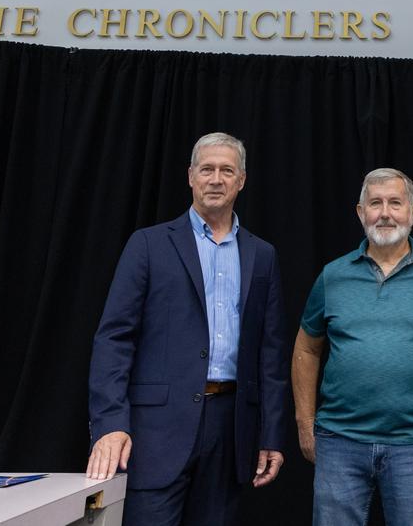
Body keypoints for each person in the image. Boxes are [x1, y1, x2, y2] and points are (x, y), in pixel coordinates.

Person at [87, 132, 288, 526]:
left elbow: (271, 354)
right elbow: (114, 339)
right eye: (207, 169)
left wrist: (272, 434)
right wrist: (110, 423)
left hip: (231, 431)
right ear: (191, 176)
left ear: (241, 180)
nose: (216, 179)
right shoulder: (147, 245)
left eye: (226, 170)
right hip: (154, 432)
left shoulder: (262, 255)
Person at [292, 168, 413, 526]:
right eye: (375, 203)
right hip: (339, 441)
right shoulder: (333, 276)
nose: (385, 213)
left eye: (395, 202)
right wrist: (304, 422)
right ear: (360, 212)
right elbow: (306, 348)